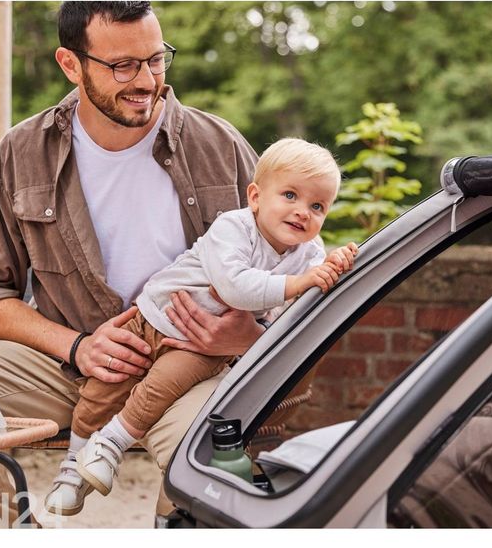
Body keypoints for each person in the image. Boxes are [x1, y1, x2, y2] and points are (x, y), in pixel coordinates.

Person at [0, 1, 265, 527]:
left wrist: (247, 333)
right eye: (122, 65)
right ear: (71, 64)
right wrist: (78, 347)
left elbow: (296, 274)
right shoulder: (21, 152)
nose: (146, 81)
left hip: (190, 368)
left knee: (209, 464)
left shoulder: (221, 145)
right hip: (65, 363)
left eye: (155, 59)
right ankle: (5, 529)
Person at [45, 138, 358, 515]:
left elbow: (303, 306)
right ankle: (73, 468)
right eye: (289, 195)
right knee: (102, 389)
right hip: (154, 317)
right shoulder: (234, 228)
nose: (302, 212)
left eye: (317, 206)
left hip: (203, 345)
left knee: (161, 386)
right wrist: (299, 282)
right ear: (256, 197)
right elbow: (235, 286)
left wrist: (337, 263)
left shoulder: (309, 254)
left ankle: (110, 445)